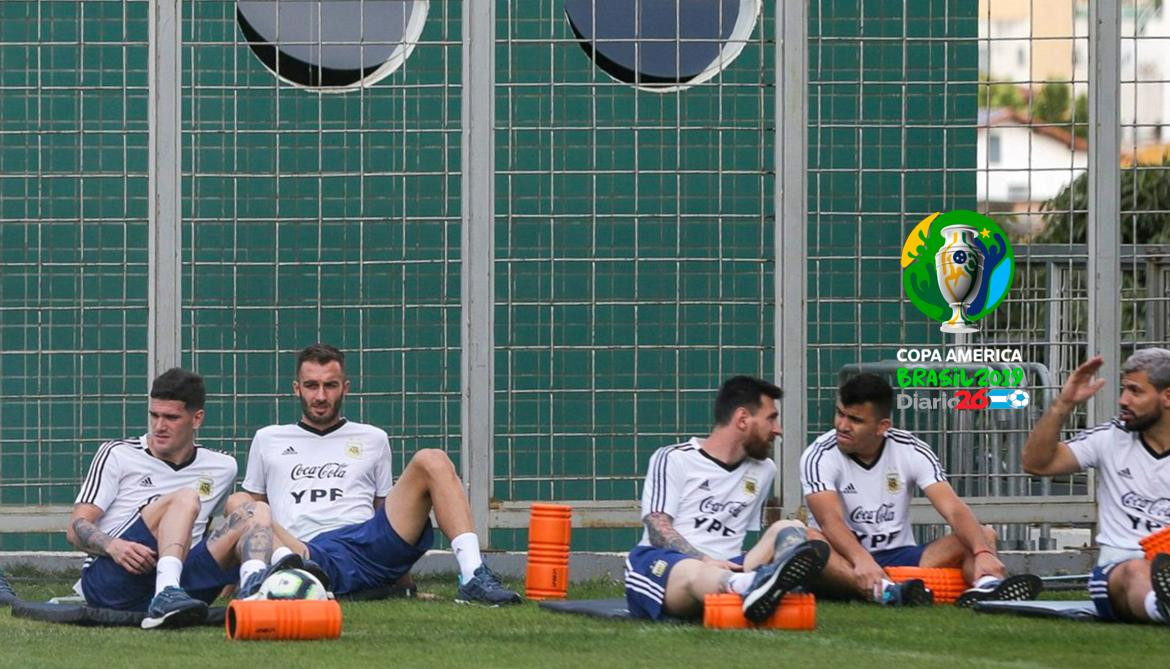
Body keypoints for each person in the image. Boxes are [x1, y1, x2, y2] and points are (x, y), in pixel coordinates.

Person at [231, 343, 520, 605]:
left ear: (346, 387)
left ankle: (473, 576)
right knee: (240, 502)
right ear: (297, 389)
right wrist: (232, 581)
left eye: (330, 385)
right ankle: (254, 583)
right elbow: (255, 520)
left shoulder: (373, 438)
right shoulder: (268, 438)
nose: (320, 396)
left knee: (432, 459)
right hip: (306, 551)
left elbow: (384, 514)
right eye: (311, 385)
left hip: (366, 545)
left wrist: (405, 585)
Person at [800, 373, 1041, 607]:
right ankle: (887, 591)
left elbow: (954, 510)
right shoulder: (819, 455)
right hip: (845, 559)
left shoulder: (911, 449)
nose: (842, 425)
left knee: (983, 535)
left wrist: (982, 553)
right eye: (840, 414)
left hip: (901, 557)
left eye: (855, 420)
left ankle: (987, 586)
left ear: (882, 426)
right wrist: (862, 560)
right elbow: (829, 520)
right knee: (807, 539)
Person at [67, 368, 278, 629]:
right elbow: (75, 529)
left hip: (186, 585)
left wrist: (232, 573)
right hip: (116, 581)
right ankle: (165, 592)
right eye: (154, 415)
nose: (159, 426)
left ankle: (253, 590)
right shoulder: (117, 454)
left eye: (171, 417)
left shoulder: (223, 467)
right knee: (186, 498)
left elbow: (208, 531)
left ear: (197, 419)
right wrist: (113, 546)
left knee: (254, 509)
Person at [624, 376, 830, 623]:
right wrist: (705, 559)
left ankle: (767, 584)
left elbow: (733, 539)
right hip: (665, 565)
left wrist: (729, 563)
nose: (778, 429)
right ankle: (755, 586)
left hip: (730, 565)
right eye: (771, 418)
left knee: (793, 528)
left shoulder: (765, 470)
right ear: (743, 419)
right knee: (697, 572)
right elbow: (658, 528)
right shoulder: (673, 458)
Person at [1022, 350, 1170, 624]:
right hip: (1118, 569)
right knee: (1137, 571)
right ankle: (1161, 607)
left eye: (1135, 392)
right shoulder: (1109, 438)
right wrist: (1062, 405)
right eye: (1124, 389)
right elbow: (1036, 464)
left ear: (1168, 397)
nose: (1123, 400)